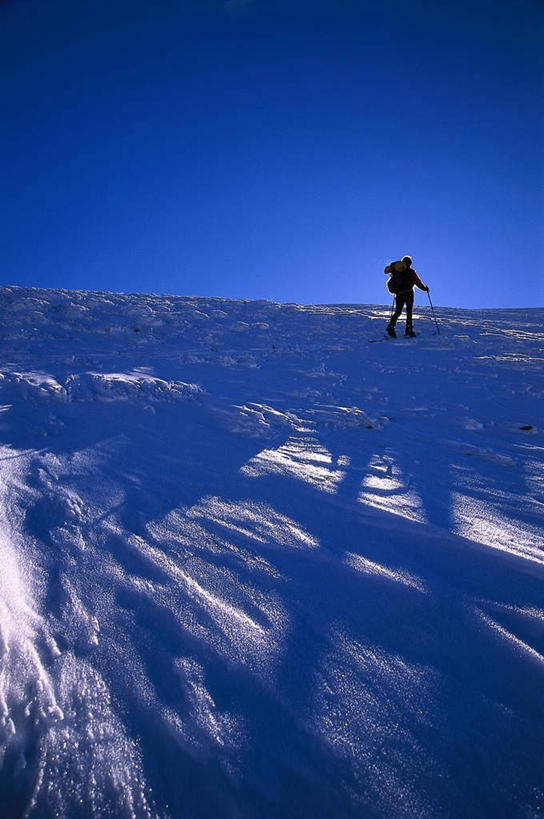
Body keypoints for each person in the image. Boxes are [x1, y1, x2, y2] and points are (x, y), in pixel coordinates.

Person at [385, 255, 429, 338]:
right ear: (409, 263)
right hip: (408, 293)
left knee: (398, 311)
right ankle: (409, 329)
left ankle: (391, 326)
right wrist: (424, 289)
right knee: (409, 312)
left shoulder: (397, 271)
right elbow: (417, 282)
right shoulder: (410, 272)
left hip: (399, 294)